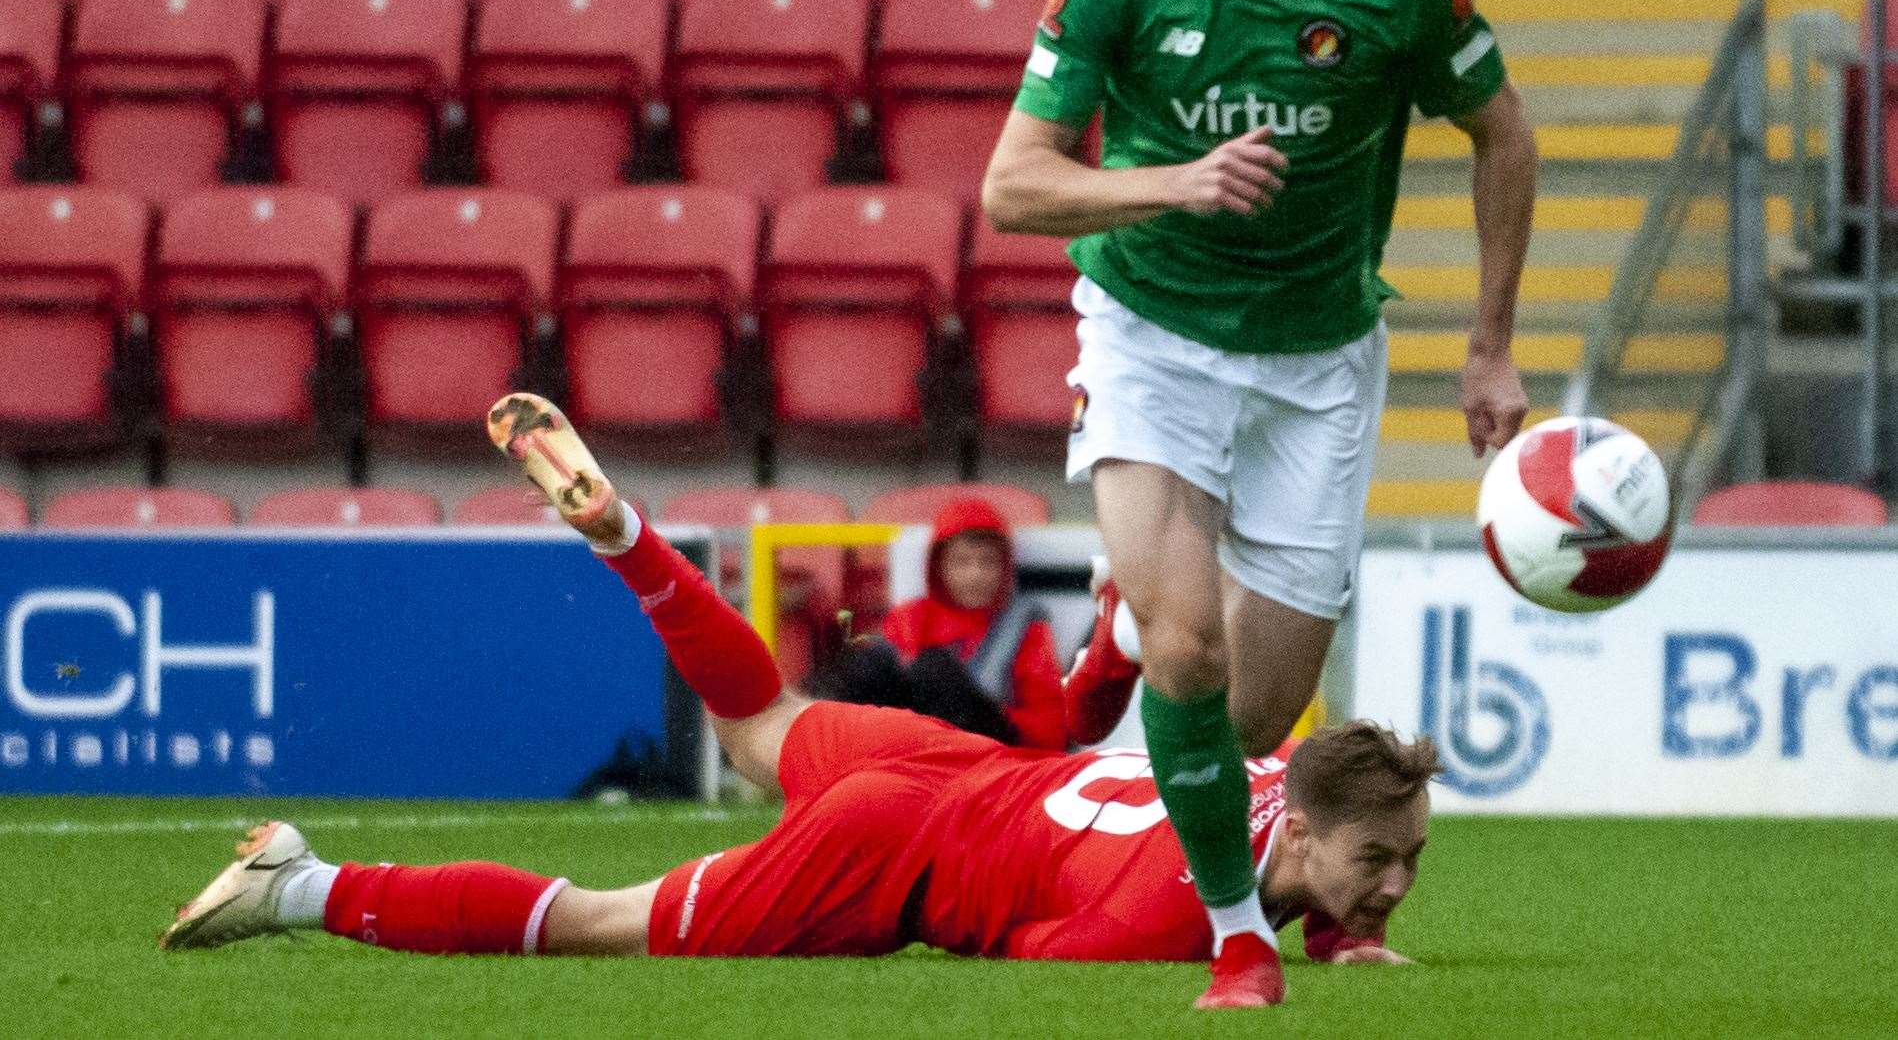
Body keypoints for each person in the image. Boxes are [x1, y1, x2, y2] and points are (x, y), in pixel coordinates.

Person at [161, 394, 1432, 991]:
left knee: (756, 716)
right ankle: (307, 888)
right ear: (1303, 826)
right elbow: (1032, 951)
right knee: (602, 920)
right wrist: (1296, 940)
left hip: (958, 769)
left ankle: (626, 541)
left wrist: (1336, 923)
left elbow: (1277, 852)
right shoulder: (1179, 911)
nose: (1394, 881)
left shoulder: (1265, 780)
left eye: (1408, 862)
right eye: (1380, 861)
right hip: (903, 844)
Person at [979, 0, 1536, 1007]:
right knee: (1188, 653)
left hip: (1316, 363)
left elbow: (1502, 136)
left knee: (1246, 713)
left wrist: (1489, 348)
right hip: (1151, 338)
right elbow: (1014, 185)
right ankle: (1239, 939)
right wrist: (1175, 182)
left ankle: (1128, 611)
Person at [810, 496, 1067, 749]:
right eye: (961, 562)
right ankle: (810, 735)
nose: (975, 575)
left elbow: (1050, 724)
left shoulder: (1023, 622)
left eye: (987, 562)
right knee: (869, 660)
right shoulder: (911, 617)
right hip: (917, 738)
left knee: (932, 667)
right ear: (939, 566)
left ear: (1005, 568)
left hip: (991, 744)